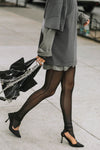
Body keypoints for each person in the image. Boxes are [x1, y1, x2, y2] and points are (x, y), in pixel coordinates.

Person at [5, 0, 90, 148]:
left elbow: (68, 10)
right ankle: (16, 117)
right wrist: (44, 52)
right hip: (56, 47)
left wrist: (81, 16)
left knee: (68, 87)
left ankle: (68, 130)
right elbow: (51, 22)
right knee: (49, 89)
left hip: (69, 45)